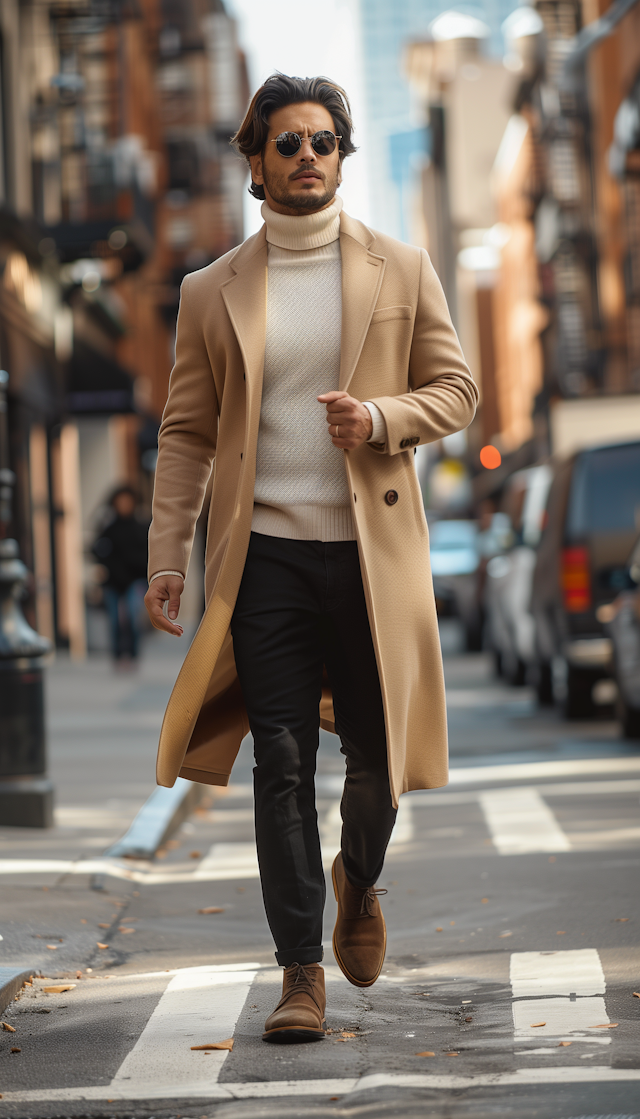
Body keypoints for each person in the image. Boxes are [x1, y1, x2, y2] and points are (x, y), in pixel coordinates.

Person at [144, 74, 478, 1043]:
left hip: (372, 558)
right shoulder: (212, 291)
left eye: (323, 142)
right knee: (280, 762)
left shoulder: (401, 267)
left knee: (375, 762)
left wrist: (380, 418)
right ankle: (299, 974)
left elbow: (455, 390)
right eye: (286, 144)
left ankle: (357, 877)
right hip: (268, 559)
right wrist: (171, 552)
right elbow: (186, 432)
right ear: (255, 163)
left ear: (341, 154)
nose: (306, 158)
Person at [93, 486, 148, 667]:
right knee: (115, 621)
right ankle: (117, 655)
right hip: (113, 582)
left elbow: (148, 554)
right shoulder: (109, 528)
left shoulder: (141, 527)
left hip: (135, 580)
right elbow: (96, 549)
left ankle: (132, 654)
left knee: (132, 617)